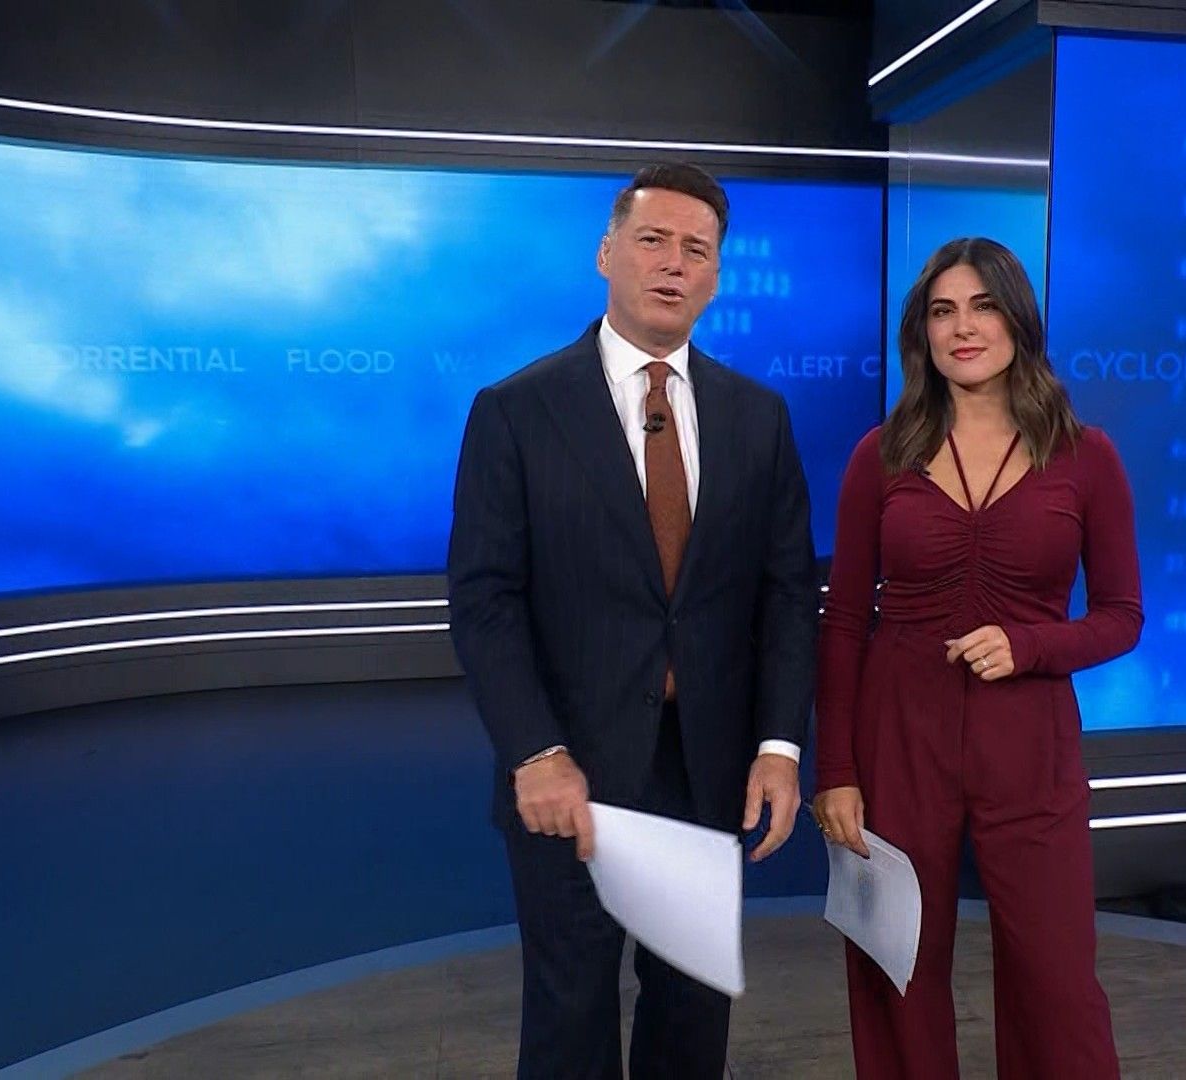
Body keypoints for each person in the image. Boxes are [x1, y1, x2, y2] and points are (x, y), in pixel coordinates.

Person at [447, 163, 818, 1080]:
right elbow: (485, 600)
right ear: (607, 253)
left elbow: (784, 594)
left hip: (705, 769)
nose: (673, 263)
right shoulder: (517, 410)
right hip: (569, 768)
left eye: (697, 249)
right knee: (570, 1016)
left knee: (692, 1018)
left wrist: (779, 746)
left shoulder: (758, 418)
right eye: (653, 240)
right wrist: (534, 751)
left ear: (717, 277)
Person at [811, 237, 1143, 1078]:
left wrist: (1030, 645)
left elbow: (1121, 618)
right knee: (897, 968)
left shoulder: (1088, 457)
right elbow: (843, 622)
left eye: (983, 307)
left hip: (1030, 738)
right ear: (921, 333)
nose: (963, 328)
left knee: (1057, 983)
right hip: (898, 736)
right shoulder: (880, 455)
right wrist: (837, 770)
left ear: (1018, 320)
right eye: (943, 311)